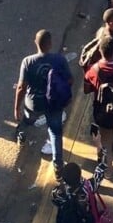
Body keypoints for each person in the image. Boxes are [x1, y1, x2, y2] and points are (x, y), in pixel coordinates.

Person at [14, 29, 72, 175]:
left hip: (33, 103)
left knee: (27, 121)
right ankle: (58, 166)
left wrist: (16, 107)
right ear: (50, 43)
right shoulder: (59, 60)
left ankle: (21, 136)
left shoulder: (28, 62)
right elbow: (70, 80)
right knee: (55, 133)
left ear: (36, 43)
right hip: (54, 104)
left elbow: (21, 87)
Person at [83, 36, 113, 179]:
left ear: (100, 50)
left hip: (101, 112)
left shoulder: (93, 69)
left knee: (105, 142)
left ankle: (108, 171)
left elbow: (86, 89)